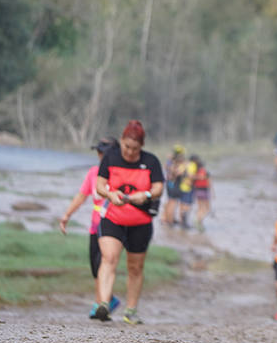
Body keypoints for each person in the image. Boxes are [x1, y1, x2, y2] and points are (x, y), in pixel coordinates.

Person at [94, 120, 164, 324]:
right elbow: (99, 185)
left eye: (135, 148)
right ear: (121, 141)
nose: (130, 152)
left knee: (135, 267)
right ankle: (104, 304)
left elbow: (159, 187)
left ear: (141, 146)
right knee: (109, 258)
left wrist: (147, 194)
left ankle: (131, 311)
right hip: (113, 217)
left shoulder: (150, 161)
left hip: (140, 221)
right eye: (126, 146)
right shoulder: (110, 157)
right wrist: (110, 194)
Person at [58, 137, 120, 318]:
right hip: (95, 226)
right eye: (99, 152)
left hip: (113, 225)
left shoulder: (119, 173)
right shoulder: (93, 173)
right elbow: (81, 196)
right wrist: (67, 215)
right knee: (95, 266)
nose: (100, 155)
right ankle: (101, 301)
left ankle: (104, 304)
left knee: (104, 263)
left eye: (103, 152)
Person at [162, 146, 185, 226]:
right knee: (173, 202)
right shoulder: (176, 164)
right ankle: (169, 220)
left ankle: (167, 218)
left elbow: (166, 169)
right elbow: (178, 173)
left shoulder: (169, 162)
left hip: (169, 183)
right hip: (174, 184)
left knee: (170, 201)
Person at [192, 156, 212, 231]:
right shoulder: (204, 171)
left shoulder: (195, 172)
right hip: (204, 191)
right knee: (207, 208)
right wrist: (212, 194)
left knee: (200, 207)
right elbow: (208, 183)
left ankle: (200, 222)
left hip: (197, 191)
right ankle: (198, 220)